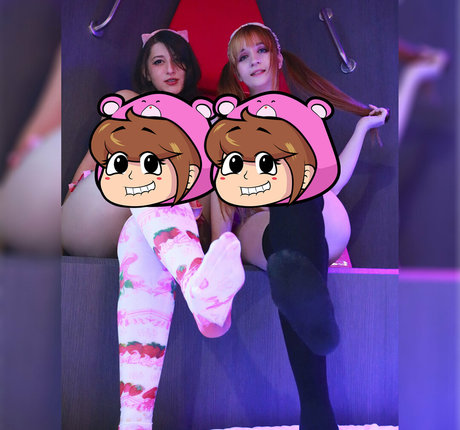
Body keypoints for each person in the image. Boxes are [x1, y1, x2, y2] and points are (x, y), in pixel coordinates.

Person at [213, 22, 389, 430]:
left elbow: (331, 180)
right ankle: (318, 412)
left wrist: (362, 127)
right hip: (261, 228)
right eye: (243, 57)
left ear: (277, 58)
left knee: (300, 211)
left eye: (261, 51)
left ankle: (315, 408)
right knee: (292, 221)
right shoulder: (230, 124)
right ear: (237, 73)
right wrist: (219, 250)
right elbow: (222, 195)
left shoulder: (306, 118)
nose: (254, 61)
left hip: (308, 223)